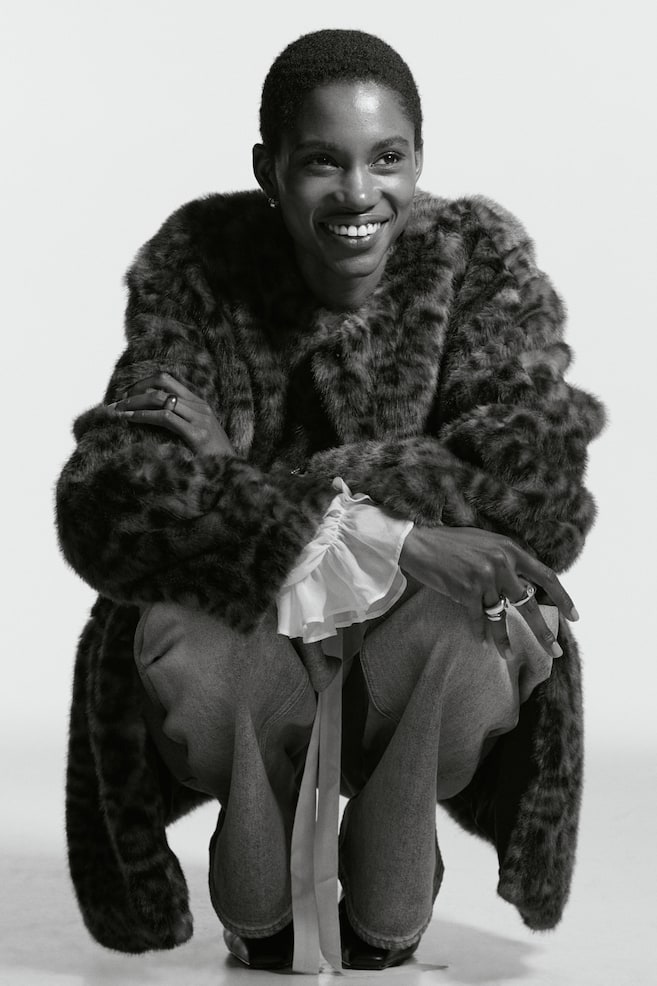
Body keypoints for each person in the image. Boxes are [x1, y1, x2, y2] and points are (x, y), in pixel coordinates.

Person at [55, 28, 605, 973]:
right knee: (187, 630)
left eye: (386, 158)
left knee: (476, 622)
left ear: (418, 159)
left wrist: (245, 476)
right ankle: (261, 890)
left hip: (412, 645)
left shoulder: (475, 260)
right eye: (322, 161)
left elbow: (535, 494)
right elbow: (113, 499)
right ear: (268, 170)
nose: (358, 193)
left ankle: (390, 885)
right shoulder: (200, 266)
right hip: (252, 645)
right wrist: (396, 535)